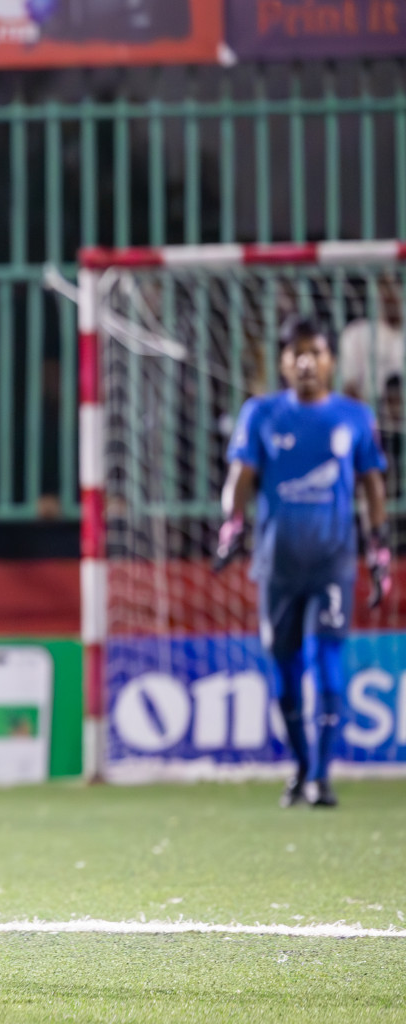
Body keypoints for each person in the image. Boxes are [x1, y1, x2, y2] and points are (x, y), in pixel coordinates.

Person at [214, 315, 391, 809]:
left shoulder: (354, 416)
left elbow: (373, 483)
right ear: (284, 363)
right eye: (296, 354)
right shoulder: (262, 413)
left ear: (332, 360)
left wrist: (377, 547)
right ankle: (299, 767)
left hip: (333, 562)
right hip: (277, 567)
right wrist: (232, 525)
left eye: (315, 352)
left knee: (329, 663)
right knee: (285, 675)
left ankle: (321, 776)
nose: (306, 362)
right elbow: (240, 477)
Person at [338, 274, 405, 403]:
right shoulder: (355, 333)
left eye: (394, 289)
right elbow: (348, 388)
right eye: (384, 289)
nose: (389, 296)